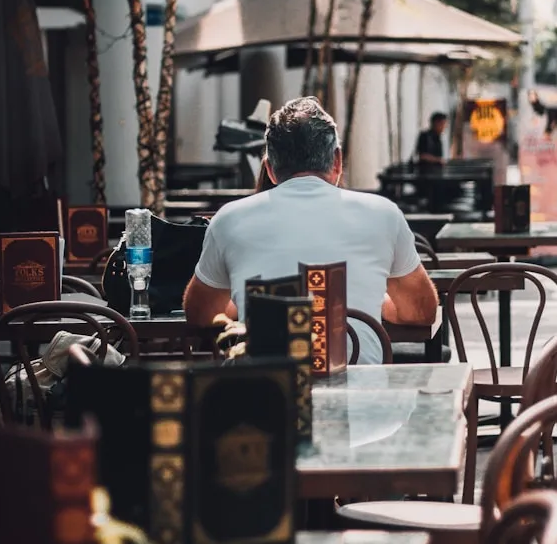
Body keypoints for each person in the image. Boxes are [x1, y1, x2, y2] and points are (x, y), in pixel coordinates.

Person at [184, 96, 438, 362]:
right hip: (364, 393)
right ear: (337, 161)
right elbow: (420, 312)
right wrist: (366, 301)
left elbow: (201, 315)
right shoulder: (383, 214)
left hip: (268, 394)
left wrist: (252, 303)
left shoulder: (228, 219)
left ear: (269, 169)